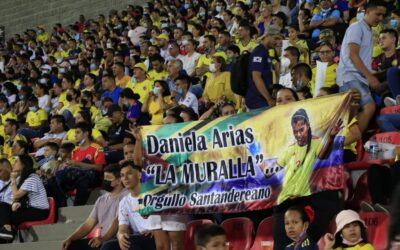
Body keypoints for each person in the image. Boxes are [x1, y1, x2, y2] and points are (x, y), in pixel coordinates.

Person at [336, 0, 387, 133]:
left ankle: (350, 141)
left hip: (360, 76)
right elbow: (353, 55)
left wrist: (371, 73)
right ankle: (350, 142)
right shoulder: (356, 27)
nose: (380, 18)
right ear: (367, 11)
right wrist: (370, 76)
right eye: (378, 14)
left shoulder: (368, 31)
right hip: (350, 76)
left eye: (383, 15)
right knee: (369, 107)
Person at [100, 161, 166, 250]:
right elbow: (122, 228)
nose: (125, 178)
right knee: (108, 246)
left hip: (158, 237)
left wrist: (156, 230)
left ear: (139, 175)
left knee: (130, 242)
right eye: (122, 175)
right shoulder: (124, 202)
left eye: (129, 174)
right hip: (138, 238)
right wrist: (121, 236)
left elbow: (168, 221)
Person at [61, 164, 129, 250]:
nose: (105, 181)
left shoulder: (126, 196)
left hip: (116, 240)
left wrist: (103, 238)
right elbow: (88, 224)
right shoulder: (101, 199)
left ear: (119, 180)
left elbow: (117, 222)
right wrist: (70, 238)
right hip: (102, 240)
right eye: (104, 178)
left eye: (108, 178)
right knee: (70, 246)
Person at [51, 122, 106, 207]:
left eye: (78, 132)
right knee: (54, 179)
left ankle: (77, 207)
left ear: (86, 133)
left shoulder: (97, 148)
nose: (75, 135)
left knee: (83, 181)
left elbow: (99, 168)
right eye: (75, 133)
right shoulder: (75, 150)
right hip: (77, 176)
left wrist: (79, 164)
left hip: (93, 178)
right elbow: (73, 168)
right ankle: (61, 205)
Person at [0, 155, 49, 241]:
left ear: (23, 165)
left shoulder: (32, 178)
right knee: (3, 206)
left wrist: (13, 180)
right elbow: (16, 199)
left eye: (16, 162)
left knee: (7, 216)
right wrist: (16, 204)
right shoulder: (24, 179)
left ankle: (8, 232)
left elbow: (16, 195)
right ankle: (7, 232)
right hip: (29, 208)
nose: (13, 164)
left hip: (39, 211)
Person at [245, 25, 282, 110]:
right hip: (256, 100)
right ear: (267, 35)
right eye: (275, 38)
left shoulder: (265, 52)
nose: (277, 42)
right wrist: (268, 98)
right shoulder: (259, 52)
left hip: (261, 99)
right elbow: (256, 76)